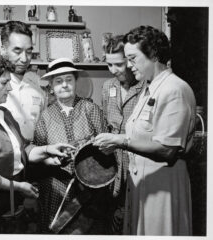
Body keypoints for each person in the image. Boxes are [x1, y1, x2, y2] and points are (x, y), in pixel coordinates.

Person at [0, 53, 74, 233]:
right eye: (3, 83)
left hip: (10, 207)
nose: (9, 88)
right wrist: (18, 187)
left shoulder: (3, 113)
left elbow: (23, 148)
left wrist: (48, 151)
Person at [93, 25, 196, 235]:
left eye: (132, 58)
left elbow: (168, 149)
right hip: (142, 185)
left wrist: (122, 142)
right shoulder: (149, 89)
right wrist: (115, 138)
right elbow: (140, 133)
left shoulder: (174, 89)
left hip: (162, 187)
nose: (129, 66)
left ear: (154, 55)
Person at [33, 58, 112, 234]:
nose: (65, 85)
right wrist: (50, 161)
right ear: (51, 87)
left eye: (69, 80)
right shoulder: (45, 116)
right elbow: (37, 153)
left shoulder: (90, 109)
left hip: (91, 187)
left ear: (76, 82)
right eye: (58, 82)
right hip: (57, 188)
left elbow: (106, 146)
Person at [101, 34, 145, 234]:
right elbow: (105, 124)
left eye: (118, 64)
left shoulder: (144, 86)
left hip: (137, 160)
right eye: (109, 65)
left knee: (136, 215)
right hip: (114, 165)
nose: (113, 70)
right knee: (114, 215)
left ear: (129, 60)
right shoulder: (108, 87)